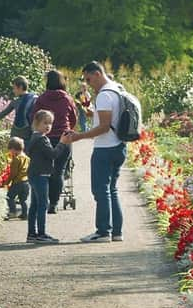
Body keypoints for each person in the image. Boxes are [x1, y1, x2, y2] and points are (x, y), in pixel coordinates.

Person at [66, 61, 126, 243]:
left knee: (101, 191)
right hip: (120, 145)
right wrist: (94, 114)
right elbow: (110, 119)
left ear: (98, 74)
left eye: (89, 79)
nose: (89, 83)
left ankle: (102, 232)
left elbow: (104, 127)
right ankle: (116, 232)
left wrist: (79, 136)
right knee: (112, 190)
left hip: (105, 148)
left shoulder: (104, 95)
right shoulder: (118, 89)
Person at [30, 70, 77, 214]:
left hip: (46, 138)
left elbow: (34, 116)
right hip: (64, 136)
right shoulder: (67, 99)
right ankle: (54, 203)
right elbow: (74, 118)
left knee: (46, 170)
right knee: (59, 171)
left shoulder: (42, 99)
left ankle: (43, 200)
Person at [25, 110, 72, 243]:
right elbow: (53, 154)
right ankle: (41, 233)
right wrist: (62, 143)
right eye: (45, 123)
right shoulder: (42, 139)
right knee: (43, 204)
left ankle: (31, 233)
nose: (48, 126)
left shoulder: (34, 137)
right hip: (41, 175)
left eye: (50, 123)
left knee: (34, 204)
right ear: (36, 123)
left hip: (34, 173)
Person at [4, 137, 30, 220]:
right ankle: (25, 214)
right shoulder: (27, 158)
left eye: (10, 150)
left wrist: (7, 182)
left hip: (18, 182)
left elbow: (13, 173)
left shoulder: (16, 159)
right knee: (23, 199)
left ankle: (13, 212)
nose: (10, 152)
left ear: (14, 149)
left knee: (9, 197)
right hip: (26, 182)